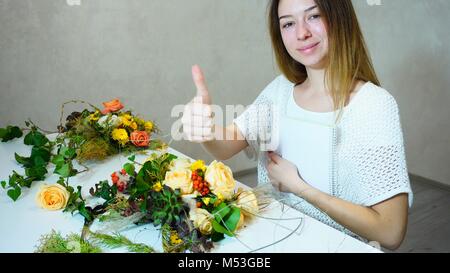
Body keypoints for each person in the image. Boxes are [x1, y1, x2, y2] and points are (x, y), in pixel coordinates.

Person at [181, 0, 412, 250]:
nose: (302, 33)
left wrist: (300, 187)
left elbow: (390, 231)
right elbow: (226, 146)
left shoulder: (373, 105)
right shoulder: (279, 91)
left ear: (340, 18)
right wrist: (206, 132)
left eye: (314, 16)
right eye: (288, 23)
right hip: (272, 240)